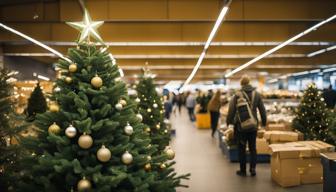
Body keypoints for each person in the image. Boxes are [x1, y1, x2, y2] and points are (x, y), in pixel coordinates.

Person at [226, 75, 267, 177]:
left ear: (241, 84)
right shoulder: (256, 94)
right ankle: (253, 169)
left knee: (242, 148)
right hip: (253, 126)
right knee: (253, 148)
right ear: (249, 83)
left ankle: (243, 170)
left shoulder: (237, 95)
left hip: (241, 127)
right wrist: (264, 122)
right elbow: (262, 110)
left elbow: (231, 110)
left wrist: (229, 122)